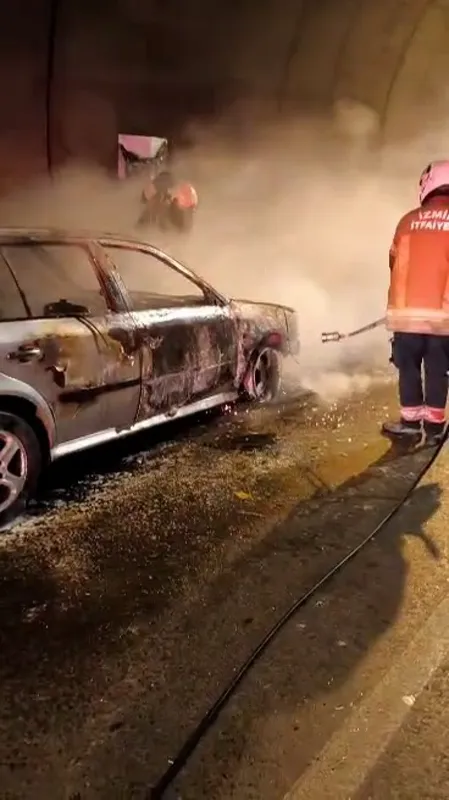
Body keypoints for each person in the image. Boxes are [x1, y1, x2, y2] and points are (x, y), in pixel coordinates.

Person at [382, 160, 449, 445]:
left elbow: (393, 262)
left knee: (408, 368)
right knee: (437, 368)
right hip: (443, 318)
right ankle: (435, 426)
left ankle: (410, 423)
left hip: (405, 315)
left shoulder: (407, 221)